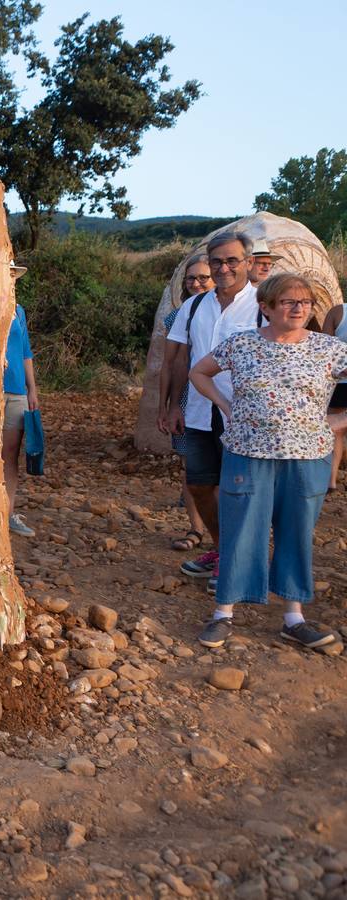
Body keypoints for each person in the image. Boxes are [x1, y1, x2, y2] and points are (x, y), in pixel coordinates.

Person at [188, 273, 347, 650]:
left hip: (307, 457)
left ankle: (293, 618)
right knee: (241, 531)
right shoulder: (242, 345)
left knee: (296, 534)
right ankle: (223, 614)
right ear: (266, 307)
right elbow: (198, 372)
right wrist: (225, 405)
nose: (299, 308)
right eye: (289, 302)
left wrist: (338, 421)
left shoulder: (328, 349)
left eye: (305, 302)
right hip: (247, 453)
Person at [160, 232, 261, 589]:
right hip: (201, 411)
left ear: (248, 263)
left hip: (246, 416)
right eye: (217, 261)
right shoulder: (194, 307)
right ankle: (222, 551)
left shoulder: (263, 305)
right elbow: (179, 359)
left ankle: (239, 564)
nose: (223, 268)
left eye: (232, 260)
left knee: (240, 489)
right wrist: (173, 405)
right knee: (200, 486)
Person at [156, 254, 214, 551]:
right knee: (192, 468)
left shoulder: (236, 313)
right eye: (191, 278)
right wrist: (167, 405)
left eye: (203, 277)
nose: (196, 283)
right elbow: (172, 362)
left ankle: (223, 538)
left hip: (224, 400)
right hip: (189, 398)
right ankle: (196, 529)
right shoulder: (179, 316)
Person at [1, 261, 38, 537]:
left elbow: (26, 352)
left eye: (12, 275)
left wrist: (32, 389)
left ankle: (8, 512)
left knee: (10, 455)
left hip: (16, 391)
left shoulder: (18, 310)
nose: (10, 278)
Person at [322, 299, 347, 490]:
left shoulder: (338, 312)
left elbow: (324, 348)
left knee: (335, 430)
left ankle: (331, 480)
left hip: (339, 380)